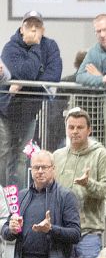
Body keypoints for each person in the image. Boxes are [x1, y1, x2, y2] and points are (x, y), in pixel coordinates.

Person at [2, 150, 80, 258]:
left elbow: (75, 234)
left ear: (53, 169)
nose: (40, 171)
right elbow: (5, 231)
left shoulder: (66, 196)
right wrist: (11, 229)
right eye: (36, 167)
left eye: (44, 167)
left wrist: (51, 229)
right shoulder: (22, 196)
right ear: (31, 170)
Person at [51, 107, 106, 258]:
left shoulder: (100, 154)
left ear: (89, 130)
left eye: (79, 127)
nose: (75, 131)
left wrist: (88, 184)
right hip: (63, 232)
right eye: (71, 127)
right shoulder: (57, 156)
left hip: (89, 230)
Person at [0, 10, 61, 192]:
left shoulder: (50, 46)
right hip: (5, 110)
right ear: (21, 29)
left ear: (43, 29)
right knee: (3, 154)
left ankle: (17, 199)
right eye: (29, 26)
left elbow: (53, 75)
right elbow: (24, 72)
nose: (33, 30)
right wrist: (35, 48)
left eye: (37, 26)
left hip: (29, 113)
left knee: (21, 157)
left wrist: (26, 83)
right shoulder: (10, 47)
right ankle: (2, 196)